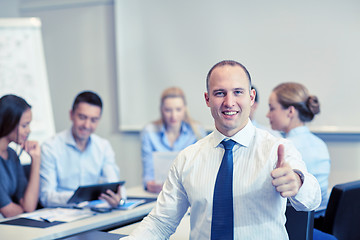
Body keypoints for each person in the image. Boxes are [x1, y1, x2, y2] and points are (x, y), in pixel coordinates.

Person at [124, 60, 321, 239]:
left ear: (251, 97)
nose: (229, 102)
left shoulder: (276, 148)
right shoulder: (187, 158)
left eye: (238, 92)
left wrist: (298, 181)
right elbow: (161, 222)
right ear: (207, 99)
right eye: (220, 93)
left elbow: (312, 199)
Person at [40, 91, 124, 207]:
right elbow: (46, 197)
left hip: (92, 213)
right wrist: (81, 197)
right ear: (71, 115)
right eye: (82, 117)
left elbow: (114, 184)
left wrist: (118, 198)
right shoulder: (50, 147)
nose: (87, 125)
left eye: (93, 120)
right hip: (62, 214)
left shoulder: (103, 146)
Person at [266, 82, 331, 218]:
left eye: (272, 109)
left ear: (290, 111)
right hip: (322, 220)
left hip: (300, 225)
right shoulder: (320, 144)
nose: (267, 115)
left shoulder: (285, 149)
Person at [141, 87, 207, 193]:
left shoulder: (196, 131)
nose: (173, 115)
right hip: (159, 192)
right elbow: (148, 173)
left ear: (185, 109)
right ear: (161, 110)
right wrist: (150, 184)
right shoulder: (149, 132)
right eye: (168, 110)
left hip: (188, 191)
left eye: (178, 109)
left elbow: (202, 169)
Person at [0, 95, 41, 218]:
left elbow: (29, 206)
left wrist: (36, 161)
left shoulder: (12, 154)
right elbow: (8, 211)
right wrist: (22, 210)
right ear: (9, 123)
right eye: (24, 125)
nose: (28, 131)